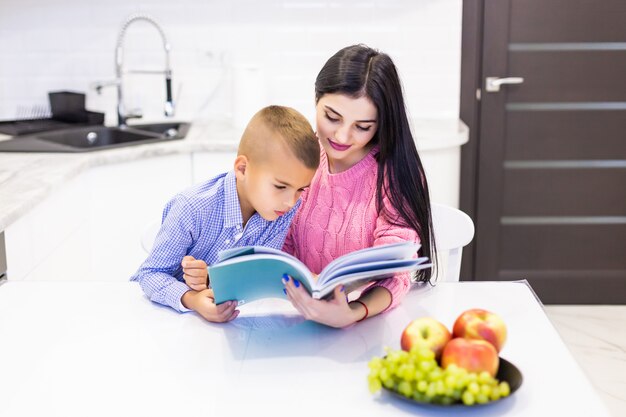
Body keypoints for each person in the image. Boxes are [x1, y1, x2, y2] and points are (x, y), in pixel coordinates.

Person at [280, 44, 436, 328]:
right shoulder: (300, 153)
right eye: (331, 117)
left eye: (362, 126)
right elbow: (278, 240)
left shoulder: (394, 174)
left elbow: (395, 276)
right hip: (294, 318)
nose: (341, 135)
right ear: (316, 100)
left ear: (381, 123)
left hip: (369, 326)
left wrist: (352, 312)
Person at [131, 105, 320, 322]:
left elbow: (253, 273)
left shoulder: (282, 209)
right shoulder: (192, 208)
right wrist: (193, 298)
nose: (290, 201)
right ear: (242, 169)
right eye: (279, 187)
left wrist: (210, 278)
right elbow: (150, 274)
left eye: (301, 189)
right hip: (157, 318)